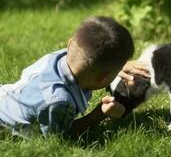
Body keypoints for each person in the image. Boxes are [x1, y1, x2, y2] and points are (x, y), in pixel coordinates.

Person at [0, 16, 149, 138]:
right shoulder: (59, 101)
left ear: (70, 43)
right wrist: (99, 114)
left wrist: (118, 66)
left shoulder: (61, 56)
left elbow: (90, 57)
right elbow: (60, 137)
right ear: (103, 78)